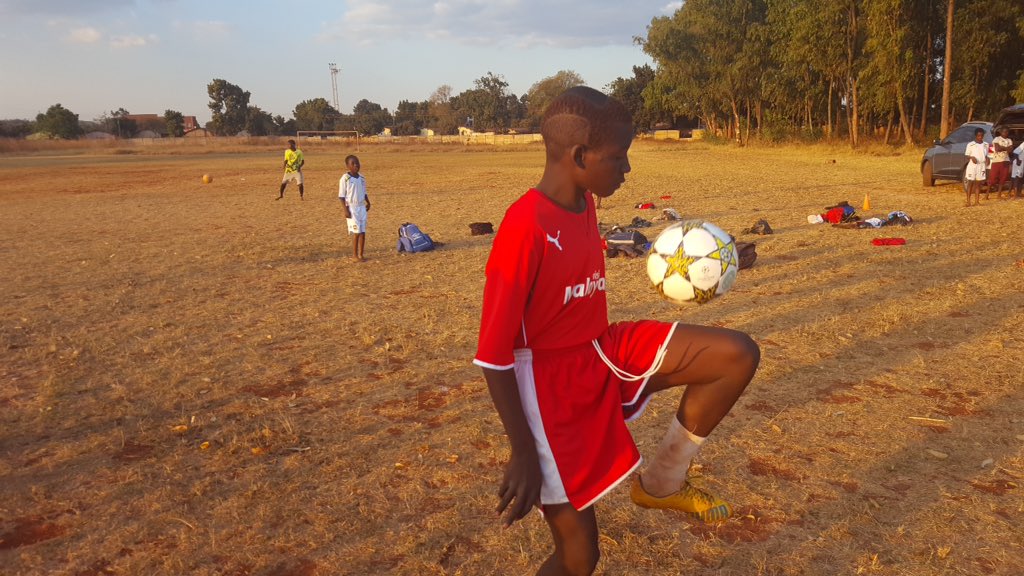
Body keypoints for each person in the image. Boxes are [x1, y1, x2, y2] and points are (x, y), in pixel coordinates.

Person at [473, 86, 760, 576]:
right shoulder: (525, 226)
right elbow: (493, 355)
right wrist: (522, 450)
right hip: (551, 390)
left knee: (735, 354)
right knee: (580, 557)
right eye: (619, 156)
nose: (627, 168)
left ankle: (662, 482)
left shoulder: (586, 202)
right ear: (579, 156)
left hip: (602, 350)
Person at [339, 155, 370, 261]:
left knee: (362, 232)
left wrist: (368, 202)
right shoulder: (345, 178)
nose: (356, 165)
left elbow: (364, 192)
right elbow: (341, 196)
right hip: (352, 208)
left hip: (361, 207)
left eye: (357, 163)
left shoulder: (362, 178)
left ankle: (361, 255)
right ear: (348, 166)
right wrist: (345, 210)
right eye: (353, 163)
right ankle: (354, 255)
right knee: (356, 233)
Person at [964, 128, 989, 207]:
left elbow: (986, 155)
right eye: (978, 135)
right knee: (970, 183)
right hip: (973, 166)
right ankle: (968, 201)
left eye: (981, 135)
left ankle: (977, 201)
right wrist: (971, 157)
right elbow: (967, 155)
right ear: (975, 136)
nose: (980, 137)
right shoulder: (971, 144)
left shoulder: (986, 144)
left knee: (978, 184)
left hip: (981, 166)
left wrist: (987, 159)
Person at [988, 126, 1013, 199]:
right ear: (1001, 132)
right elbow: (997, 149)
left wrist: (1002, 147)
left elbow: (1011, 150)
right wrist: (1006, 148)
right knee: (992, 178)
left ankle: (999, 194)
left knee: (1003, 178)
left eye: (1007, 132)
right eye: (1004, 132)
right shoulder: (997, 139)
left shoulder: (1009, 140)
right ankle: (987, 194)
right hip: (996, 160)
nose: (1006, 133)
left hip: (1006, 160)